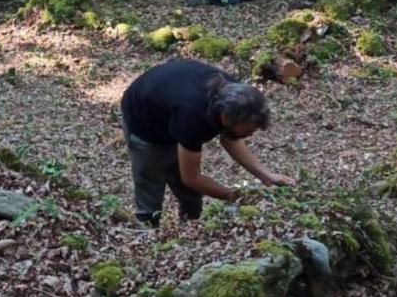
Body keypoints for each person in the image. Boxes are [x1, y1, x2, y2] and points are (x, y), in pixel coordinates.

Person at [120, 59, 295, 226]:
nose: (249, 135)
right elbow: (192, 178)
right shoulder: (193, 117)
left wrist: (267, 176)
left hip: (173, 104)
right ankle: (148, 230)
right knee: (152, 180)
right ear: (225, 117)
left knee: (188, 190)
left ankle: (191, 223)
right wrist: (237, 197)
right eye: (248, 130)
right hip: (144, 118)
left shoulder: (236, 95)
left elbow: (231, 140)